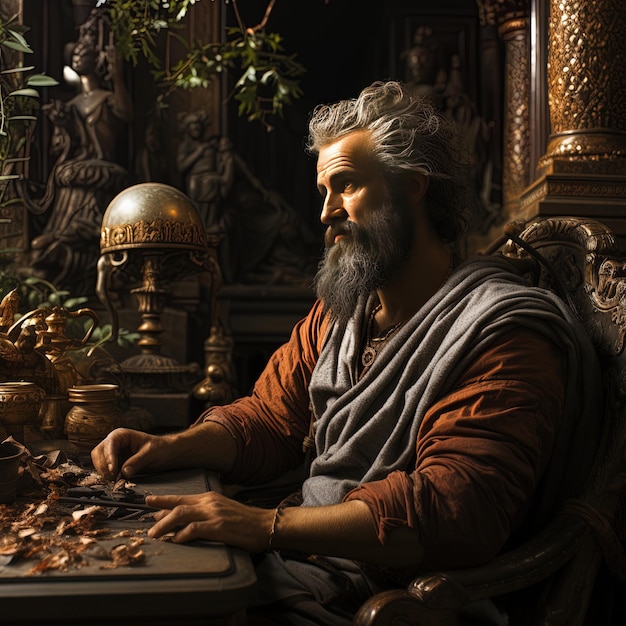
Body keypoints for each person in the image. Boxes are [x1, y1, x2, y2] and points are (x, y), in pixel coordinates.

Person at [91, 81, 601, 625]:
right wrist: (169, 446)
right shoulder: (341, 313)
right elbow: (268, 417)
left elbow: (454, 513)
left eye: (346, 186)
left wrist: (263, 526)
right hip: (301, 564)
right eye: (323, 191)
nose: (326, 212)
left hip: (391, 603)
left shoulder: (502, 333)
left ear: (412, 186)